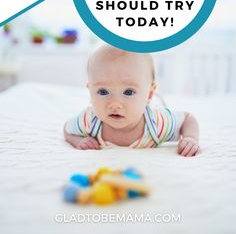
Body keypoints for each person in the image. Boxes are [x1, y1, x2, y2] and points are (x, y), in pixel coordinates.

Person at [64, 45, 200, 156]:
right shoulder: (90, 120)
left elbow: (188, 119)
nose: (115, 104)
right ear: (90, 90)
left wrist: (190, 138)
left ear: (149, 94)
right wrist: (79, 140)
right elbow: (67, 129)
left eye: (128, 92)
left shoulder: (157, 123)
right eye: (103, 92)